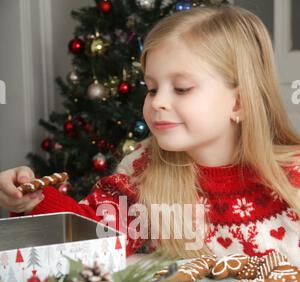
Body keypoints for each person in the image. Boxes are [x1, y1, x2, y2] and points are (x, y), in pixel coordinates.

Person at [0, 5, 300, 264]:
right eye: (152, 88)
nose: (158, 102)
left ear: (238, 103)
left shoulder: (293, 179)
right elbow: (91, 243)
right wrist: (33, 201)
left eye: (181, 88)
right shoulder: (141, 175)